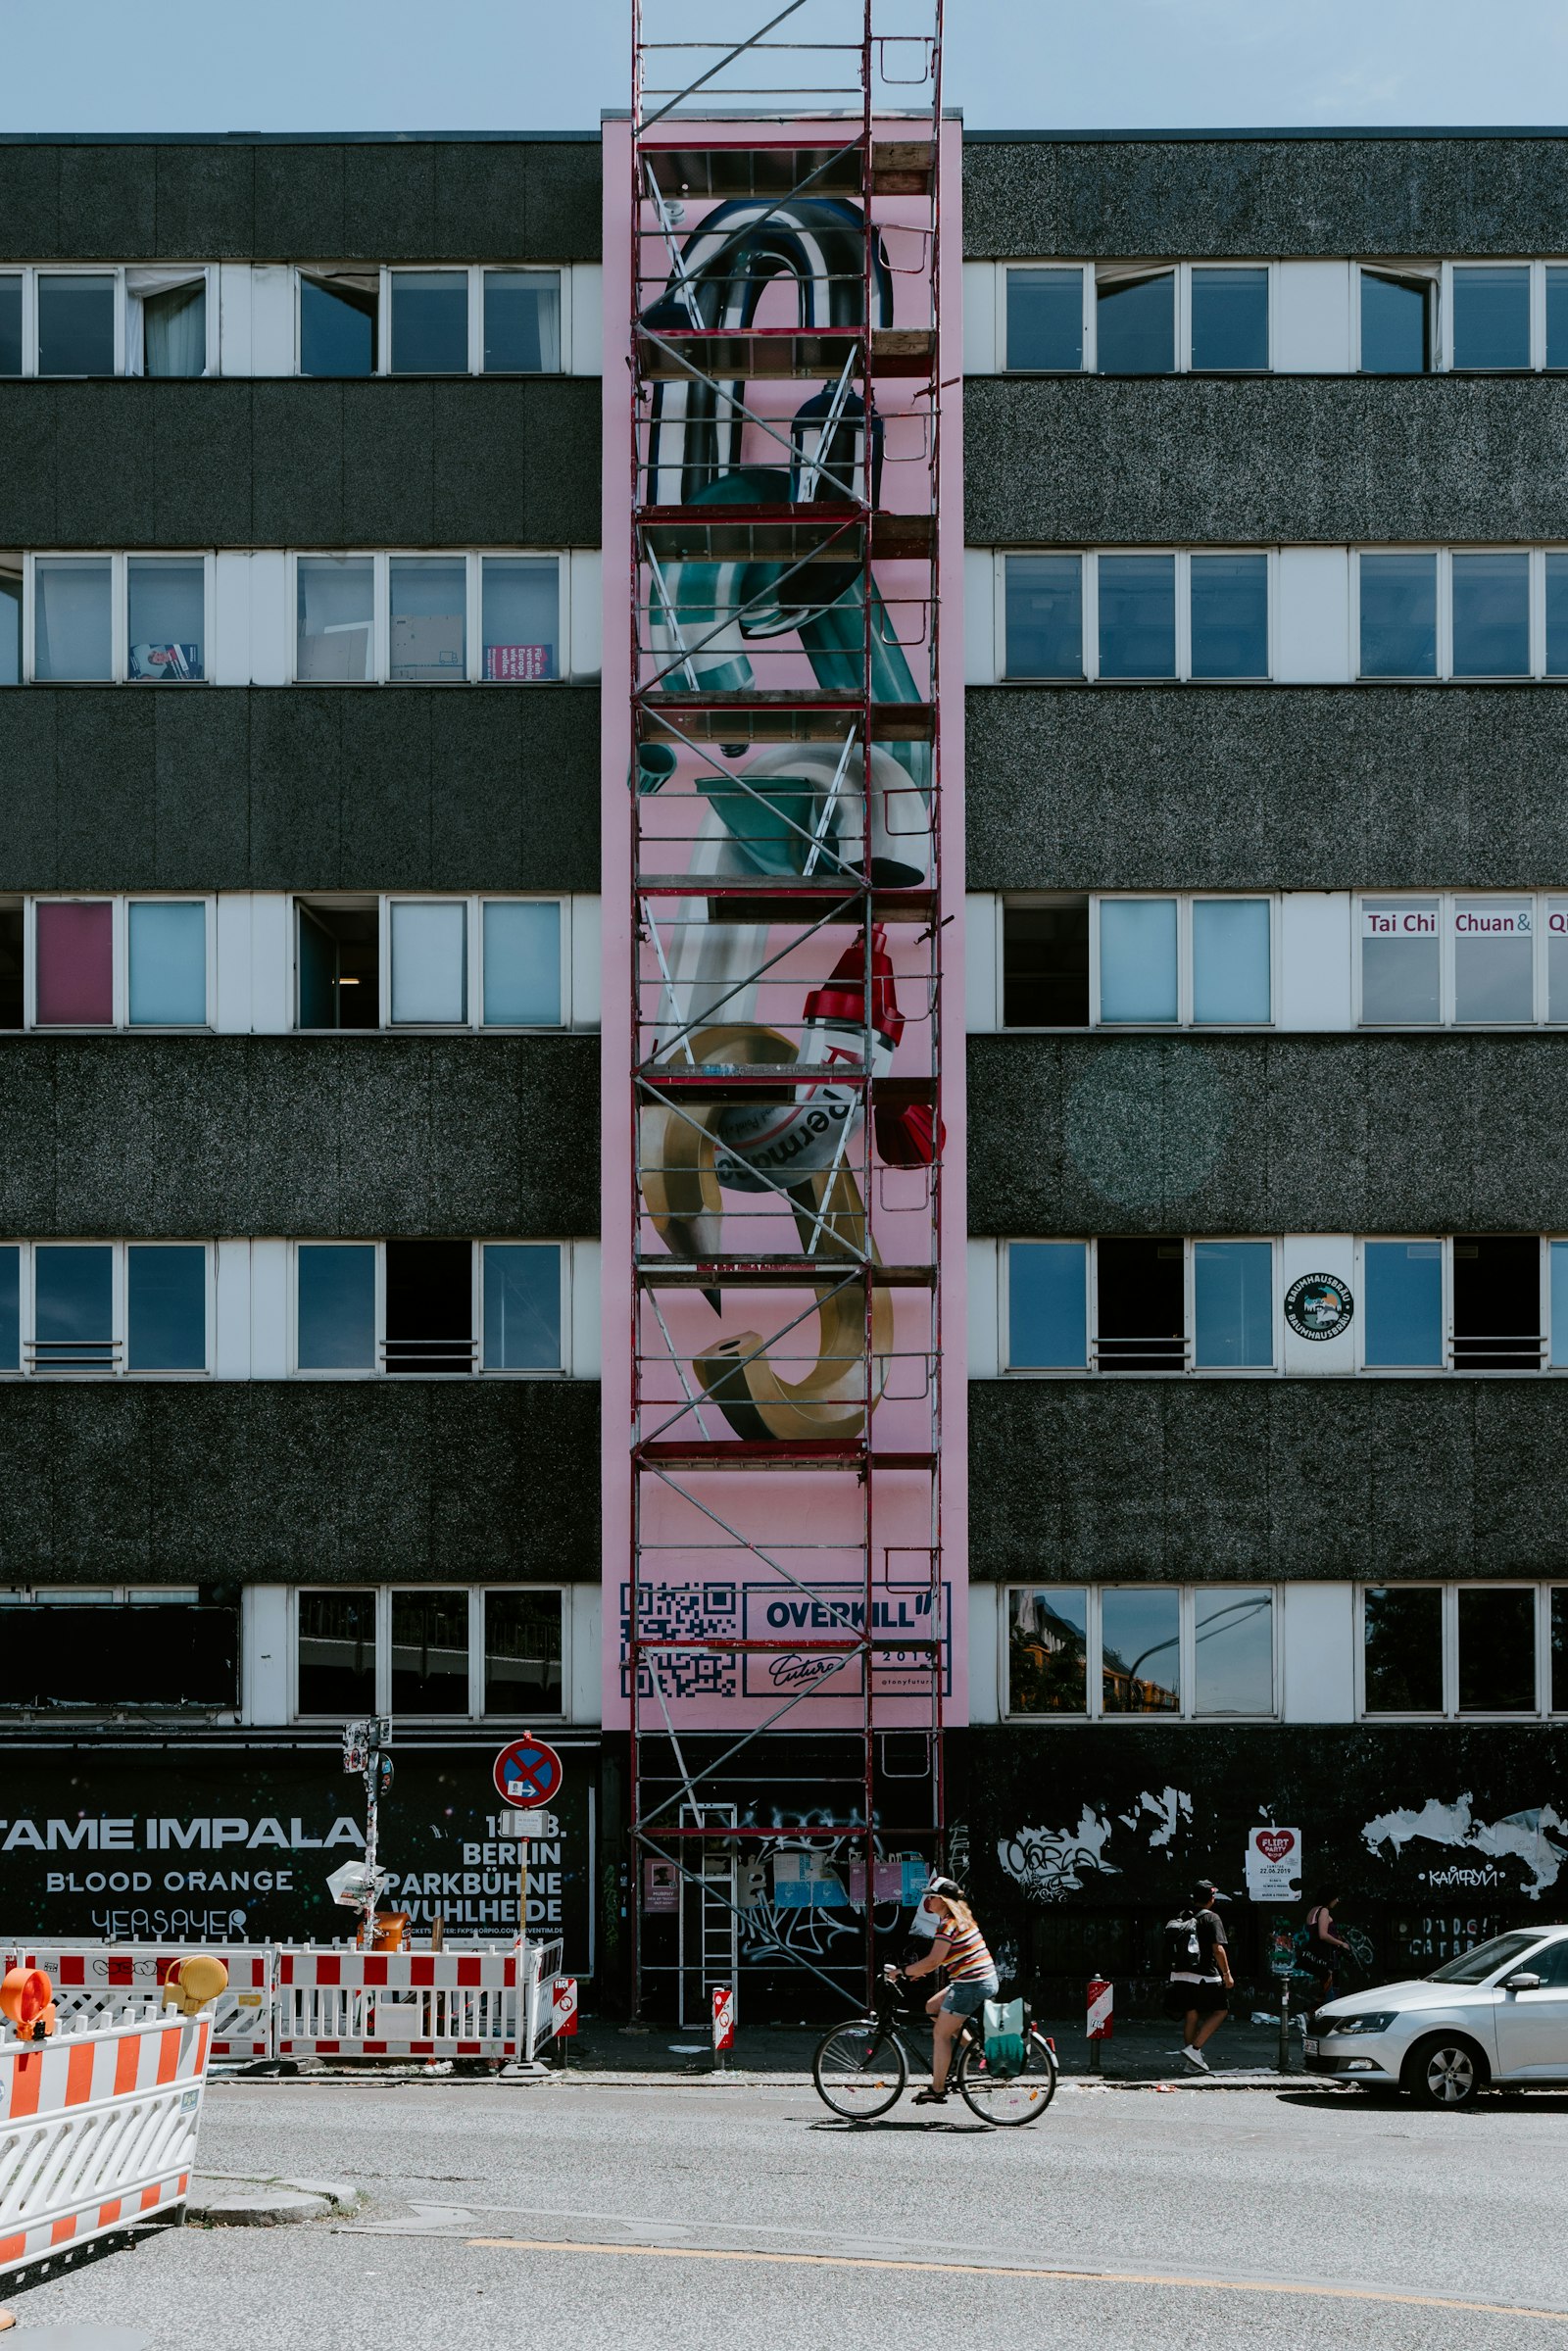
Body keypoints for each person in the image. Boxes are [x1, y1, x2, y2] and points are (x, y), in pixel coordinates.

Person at [889, 1877, 1000, 2107]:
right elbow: (944, 1958)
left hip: (971, 1984)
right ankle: (974, 2049)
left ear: (943, 1901)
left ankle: (937, 2089)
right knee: (932, 2007)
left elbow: (933, 1960)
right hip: (974, 1980)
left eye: (932, 1897)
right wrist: (917, 1971)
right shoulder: (960, 1919)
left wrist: (902, 1972)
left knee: (940, 2034)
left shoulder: (948, 1924)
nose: (927, 1900)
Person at [1163, 1879, 1233, 2073]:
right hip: (1205, 1975)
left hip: (1181, 1974)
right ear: (1212, 1898)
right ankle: (1194, 2050)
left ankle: (1191, 2064)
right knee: (1221, 2011)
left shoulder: (1183, 1915)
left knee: (1191, 2014)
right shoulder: (1212, 1918)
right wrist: (1227, 1974)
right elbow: (1218, 1949)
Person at [1302, 1886, 1351, 2000]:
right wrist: (1341, 1943)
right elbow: (1323, 1935)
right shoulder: (1324, 1911)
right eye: (1335, 1898)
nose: (1337, 1901)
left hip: (1315, 1956)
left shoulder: (1313, 1911)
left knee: (1322, 1989)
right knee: (1331, 1989)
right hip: (1327, 1956)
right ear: (1329, 1898)